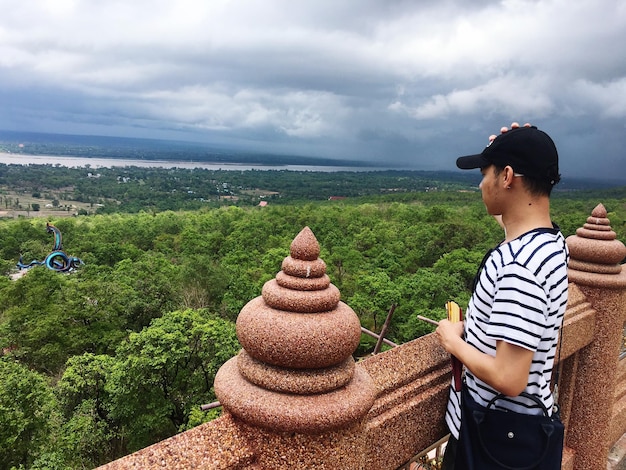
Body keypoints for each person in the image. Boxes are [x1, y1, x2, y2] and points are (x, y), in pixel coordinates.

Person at [436, 122, 569, 469]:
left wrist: (452, 341)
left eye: (485, 173)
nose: (480, 184)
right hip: (519, 435)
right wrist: (508, 145)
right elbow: (514, 225)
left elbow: (510, 378)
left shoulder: (519, 267)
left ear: (507, 176)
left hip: (492, 441)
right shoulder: (551, 243)